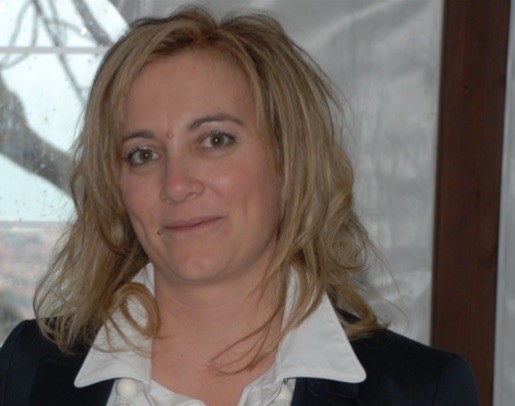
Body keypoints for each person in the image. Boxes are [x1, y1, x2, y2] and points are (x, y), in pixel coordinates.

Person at [0, 6, 478, 405]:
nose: (176, 184)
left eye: (215, 140)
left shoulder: (420, 390)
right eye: (143, 154)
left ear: (288, 161)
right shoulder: (29, 370)